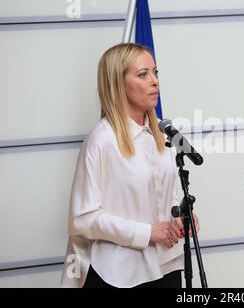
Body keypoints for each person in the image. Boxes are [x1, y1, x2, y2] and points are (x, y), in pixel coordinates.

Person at [61, 43, 198, 288]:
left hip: (166, 265)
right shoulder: (102, 140)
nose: (154, 82)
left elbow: (166, 195)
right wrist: (146, 233)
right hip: (119, 274)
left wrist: (180, 217)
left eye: (155, 73)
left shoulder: (161, 132)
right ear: (118, 84)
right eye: (143, 75)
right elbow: (81, 219)